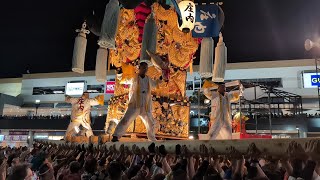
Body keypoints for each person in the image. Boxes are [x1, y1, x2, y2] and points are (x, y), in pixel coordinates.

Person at [111, 62, 163, 142]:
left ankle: (152, 138)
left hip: (145, 106)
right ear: (139, 68)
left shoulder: (148, 78)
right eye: (143, 68)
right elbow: (124, 79)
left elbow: (154, 84)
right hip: (134, 105)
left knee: (151, 122)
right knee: (126, 120)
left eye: (146, 68)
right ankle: (116, 136)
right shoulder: (133, 78)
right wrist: (120, 73)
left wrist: (160, 79)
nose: (145, 69)